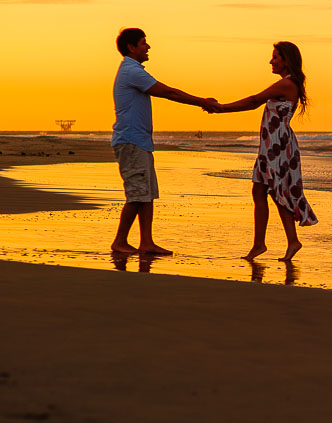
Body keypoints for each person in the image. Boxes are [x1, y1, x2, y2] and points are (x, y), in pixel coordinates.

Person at [205, 41, 318, 261]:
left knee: (276, 192)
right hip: (271, 144)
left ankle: (287, 242)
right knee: (260, 192)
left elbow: (254, 100)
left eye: (275, 57)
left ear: (286, 61)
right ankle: (261, 244)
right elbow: (256, 103)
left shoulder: (287, 84)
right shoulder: (286, 83)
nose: (271, 61)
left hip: (278, 145)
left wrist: (221, 108)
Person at [111, 28, 217, 256]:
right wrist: (202, 101)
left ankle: (146, 242)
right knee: (137, 194)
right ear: (131, 47)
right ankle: (120, 241)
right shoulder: (131, 70)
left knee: (147, 193)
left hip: (140, 142)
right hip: (130, 141)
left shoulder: (133, 70)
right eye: (143, 43)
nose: (147, 47)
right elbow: (169, 93)